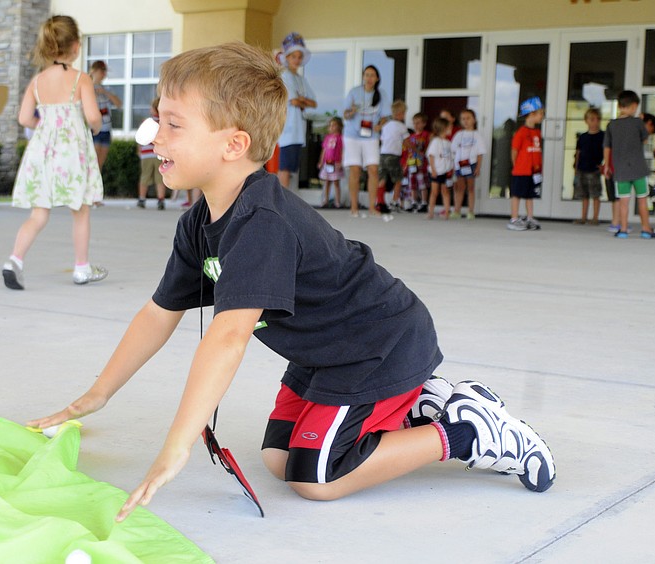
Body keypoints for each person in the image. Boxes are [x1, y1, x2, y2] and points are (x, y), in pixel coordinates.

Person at [28, 42, 555, 523]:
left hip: (378, 344)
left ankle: (466, 433)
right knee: (279, 460)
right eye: (156, 120)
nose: (155, 136)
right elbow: (158, 314)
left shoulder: (262, 223)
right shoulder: (200, 221)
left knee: (316, 479)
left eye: (173, 124)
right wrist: (95, 396)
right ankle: (424, 401)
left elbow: (229, 336)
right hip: (327, 352)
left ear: (234, 144)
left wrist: (176, 446)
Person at [2, 15, 107, 290]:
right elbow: (93, 116)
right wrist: (93, 128)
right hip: (71, 153)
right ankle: (82, 267)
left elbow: (24, 118)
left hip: (43, 152)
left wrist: (45, 126)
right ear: (75, 46)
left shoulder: (37, 82)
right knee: (80, 210)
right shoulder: (80, 79)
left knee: (39, 214)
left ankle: (14, 260)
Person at [603, 90, 655, 239]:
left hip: (621, 169)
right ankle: (646, 229)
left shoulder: (612, 124)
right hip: (638, 169)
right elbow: (645, 139)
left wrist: (607, 165)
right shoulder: (637, 122)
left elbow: (607, 146)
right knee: (642, 199)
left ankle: (623, 229)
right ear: (634, 106)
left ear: (620, 106)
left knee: (623, 201)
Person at [343, 66, 388, 217]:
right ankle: (354, 207)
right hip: (352, 136)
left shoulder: (381, 95)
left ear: (377, 78)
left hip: (371, 137)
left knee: (373, 170)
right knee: (355, 170)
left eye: (372, 75)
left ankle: (371, 207)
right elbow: (345, 114)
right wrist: (352, 111)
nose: (369, 78)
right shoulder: (354, 92)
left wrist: (380, 125)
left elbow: (385, 116)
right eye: (367, 75)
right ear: (363, 76)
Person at [277, 33, 317, 191]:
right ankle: (281, 198)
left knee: (292, 168)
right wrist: (301, 100)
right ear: (287, 57)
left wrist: (302, 100)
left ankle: (287, 196)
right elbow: (293, 100)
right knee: (285, 167)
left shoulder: (301, 79)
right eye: (293, 56)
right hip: (288, 129)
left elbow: (313, 102)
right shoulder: (285, 76)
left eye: (299, 57)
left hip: (298, 130)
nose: (297, 60)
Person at [508, 96, 544, 231]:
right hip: (521, 170)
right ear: (531, 114)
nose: (542, 116)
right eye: (540, 113)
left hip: (534, 171)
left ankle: (529, 217)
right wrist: (516, 165)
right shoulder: (521, 133)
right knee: (517, 194)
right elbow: (514, 151)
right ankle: (514, 218)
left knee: (530, 194)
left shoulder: (537, 132)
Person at [450, 108, 485, 220]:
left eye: (468, 118)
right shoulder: (458, 135)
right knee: (460, 188)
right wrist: (453, 166)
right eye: (463, 119)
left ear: (474, 120)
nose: (466, 121)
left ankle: (471, 211)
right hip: (460, 165)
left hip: (471, 164)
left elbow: (480, 153)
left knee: (470, 188)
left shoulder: (477, 135)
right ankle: (457, 210)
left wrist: (478, 167)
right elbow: (454, 151)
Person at [89, 60, 123, 171]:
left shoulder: (106, 89)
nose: (103, 74)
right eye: (101, 71)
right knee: (92, 161)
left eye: (105, 71)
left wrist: (104, 92)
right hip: (93, 128)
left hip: (106, 128)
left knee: (100, 163)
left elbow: (119, 104)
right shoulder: (87, 88)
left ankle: (96, 186)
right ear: (94, 71)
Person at [573, 108, 604, 225]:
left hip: (595, 169)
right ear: (586, 121)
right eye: (592, 119)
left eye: (597, 119)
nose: (595, 122)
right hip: (582, 168)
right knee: (584, 194)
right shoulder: (582, 137)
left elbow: (607, 151)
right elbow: (578, 153)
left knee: (595, 194)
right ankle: (583, 217)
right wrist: (576, 168)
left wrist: (603, 165)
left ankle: (595, 217)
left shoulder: (602, 136)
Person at [379, 100, 409, 213]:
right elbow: (406, 142)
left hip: (383, 154)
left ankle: (380, 201)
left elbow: (382, 139)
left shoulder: (386, 126)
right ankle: (394, 202)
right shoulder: (402, 127)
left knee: (382, 178)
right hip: (394, 155)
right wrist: (415, 150)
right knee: (398, 179)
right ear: (400, 114)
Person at [137, 97, 167, 210]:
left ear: (154, 109)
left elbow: (141, 137)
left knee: (145, 176)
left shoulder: (148, 122)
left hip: (146, 154)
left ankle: (142, 198)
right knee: (160, 178)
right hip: (160, 154)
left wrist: (139, 149)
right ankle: (160, 199)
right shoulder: (164, 123)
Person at [402, 112, 431, 213]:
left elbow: (428, 148)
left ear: (424, 123)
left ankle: (424, 202)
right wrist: (405, 165)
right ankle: (414, 202)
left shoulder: (426, 135)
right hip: (411, 163)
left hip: (421, 164)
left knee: (422, 184)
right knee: (412, 184)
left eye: (418, 123)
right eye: (414, 123)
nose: (416, 125)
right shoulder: (411, 137)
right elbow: (408, 152)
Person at [426, 117, 453, 220]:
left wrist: (452, 168)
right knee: (434, 192)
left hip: (446, 171)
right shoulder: (436, 142)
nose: (451, 129)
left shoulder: (448, 143)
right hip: (436, 171)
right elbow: (431, 156)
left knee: (445, 191)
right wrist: (433, 170)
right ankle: (431, 212)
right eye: (449, 127)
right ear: (444, 128)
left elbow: (451, 157)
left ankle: (446, 211)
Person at [318, 116, 344, 208]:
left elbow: (341, 150)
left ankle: (337, 201)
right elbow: (324, 150)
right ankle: (326, 200)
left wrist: (341, 161)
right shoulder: (327, 137)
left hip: (335, 163)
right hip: (327, 162)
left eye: (334, 125)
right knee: (327, 181)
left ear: (339, 126)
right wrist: (321, 161)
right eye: (330, 125)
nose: (331, 127)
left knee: (336, 182)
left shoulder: (340, 138)